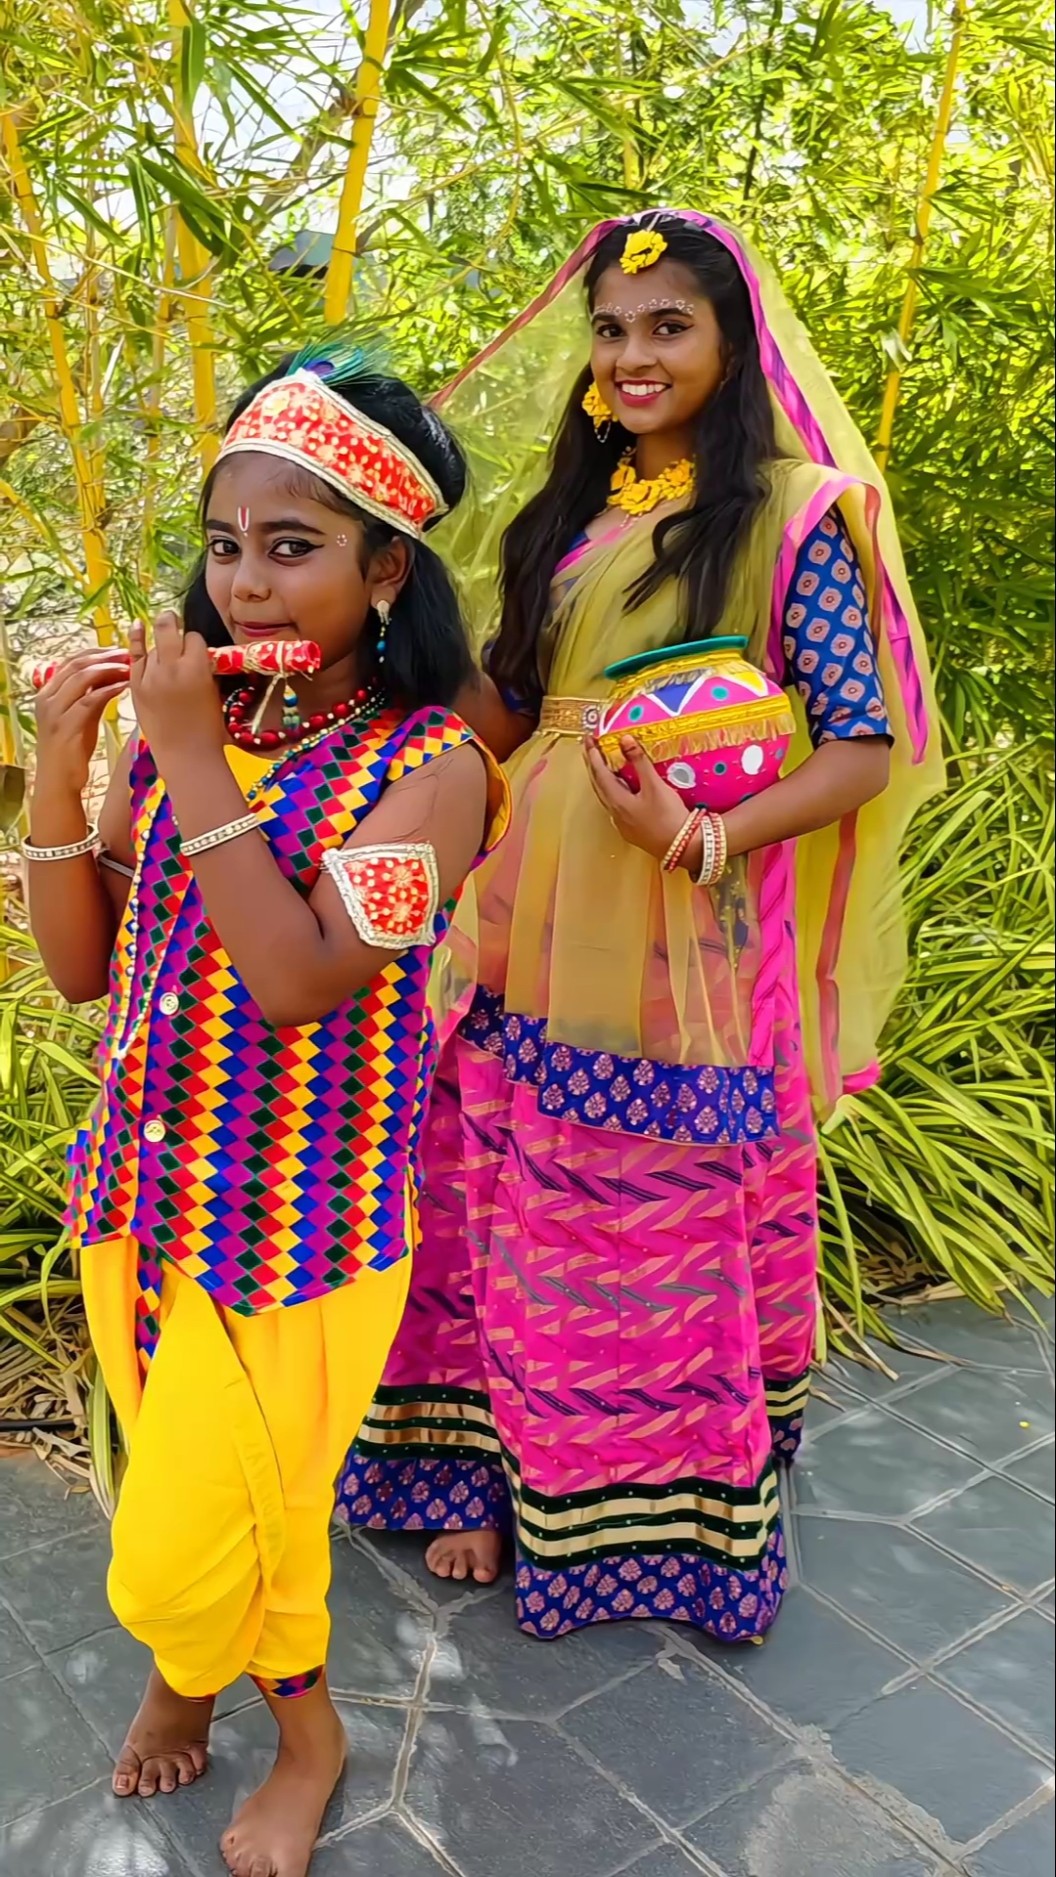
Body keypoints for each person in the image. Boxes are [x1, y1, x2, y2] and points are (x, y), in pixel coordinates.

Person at [339, 211, 942, 1642]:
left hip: (690, 926)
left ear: (735, 343)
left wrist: (699, 836)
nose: (631, 355)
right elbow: (508, 702)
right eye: (612, 329)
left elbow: (862, 746)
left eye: (668, 325)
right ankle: (485, 1473)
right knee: (489, 1185)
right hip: (518, 908)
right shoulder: (575, 507)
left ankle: (653, 1507)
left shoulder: (796, 514)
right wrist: (365, 708)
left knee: (640, 1216)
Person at [25, 343, 508, 1877]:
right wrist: (60, 769)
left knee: (225, 1521)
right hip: (141, 1197)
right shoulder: (197, 730)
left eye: (292, 546)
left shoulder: (437, 774)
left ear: (386, 571)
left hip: (305, 1230)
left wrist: (182, 754)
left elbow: (299, 978)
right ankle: (191, 1675)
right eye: (225, 543)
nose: (242, 582)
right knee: (204, 1494)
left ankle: (310, 1738)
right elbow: (83, 969)